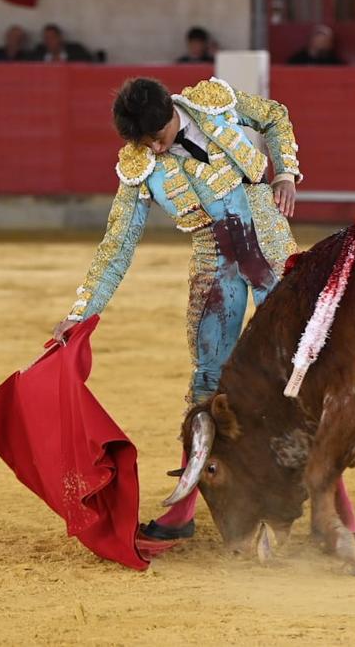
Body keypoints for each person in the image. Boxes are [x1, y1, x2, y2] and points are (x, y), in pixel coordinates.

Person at [48, 75, 315, 548]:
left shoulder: (214, 103)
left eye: (158, 137)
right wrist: (82, 310)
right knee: (207, 386)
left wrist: (286, 172)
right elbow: (118, 245)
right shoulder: (137, 166)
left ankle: (334, 511)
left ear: (173, 113)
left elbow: (275, 116)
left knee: (298, 375)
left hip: (271, 256)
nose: (153, 148)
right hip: (216, 269)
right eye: (143, 142)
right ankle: (182, 511)